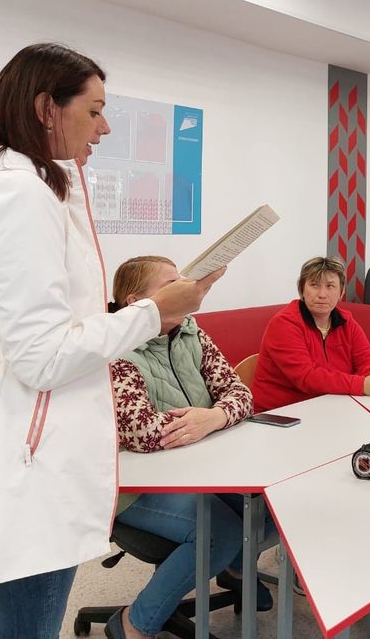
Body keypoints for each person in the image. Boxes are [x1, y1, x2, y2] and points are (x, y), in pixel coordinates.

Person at [0, 43, 222, 639]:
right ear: (47, 108)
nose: (105, 128)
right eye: (95, 110)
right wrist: (154, 312)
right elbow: (44, 356)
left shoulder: (5, 189)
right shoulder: (20, 197)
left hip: (1, 446)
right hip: (30, 462)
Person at [107, 255, 266, 639]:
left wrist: (212, 417)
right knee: (221, 533)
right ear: (135, 303)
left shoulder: (191, 332)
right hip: (133, 487)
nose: (185, 288)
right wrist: (204, 421)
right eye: (170, 284)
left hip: (200, 468)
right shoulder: (115, 349)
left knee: (266, 508)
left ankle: (233, 569)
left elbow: (240, 394)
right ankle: (133, 623)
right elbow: (142, 432)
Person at [252, 256, 370, 412]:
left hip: (328, 407)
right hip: (279, 414)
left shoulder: (346, 321)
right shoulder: (284, 324)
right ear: (302, 290)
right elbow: (307, 377)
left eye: (330, 286)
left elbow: (366, 359)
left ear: (341, 292)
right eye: (314, 285)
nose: (322, 294)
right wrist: (361, 385)